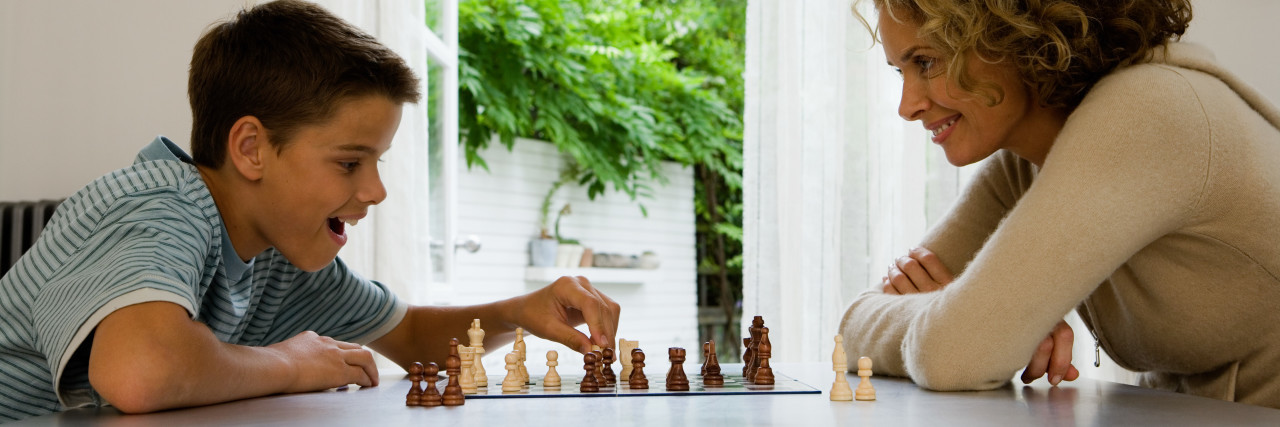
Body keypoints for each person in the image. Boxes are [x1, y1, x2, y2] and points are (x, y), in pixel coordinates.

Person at [0, 1, 619, 422]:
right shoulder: (155, 204)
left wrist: (519, 311)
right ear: (251, 149)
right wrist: (290, 364)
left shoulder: (282, 256)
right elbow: (141, 371)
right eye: (350, 163)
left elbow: (409, 337)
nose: (375, 192)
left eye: (378, 163)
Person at [839, 0, 1280, 408]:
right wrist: (970, 315)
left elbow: (955, 354)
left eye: (926, 62)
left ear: (1012, 34)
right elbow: (855, 327)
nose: (907, 106)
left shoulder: (1148, 114)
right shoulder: (1026, 163)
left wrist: (975, 321)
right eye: (901, 71)